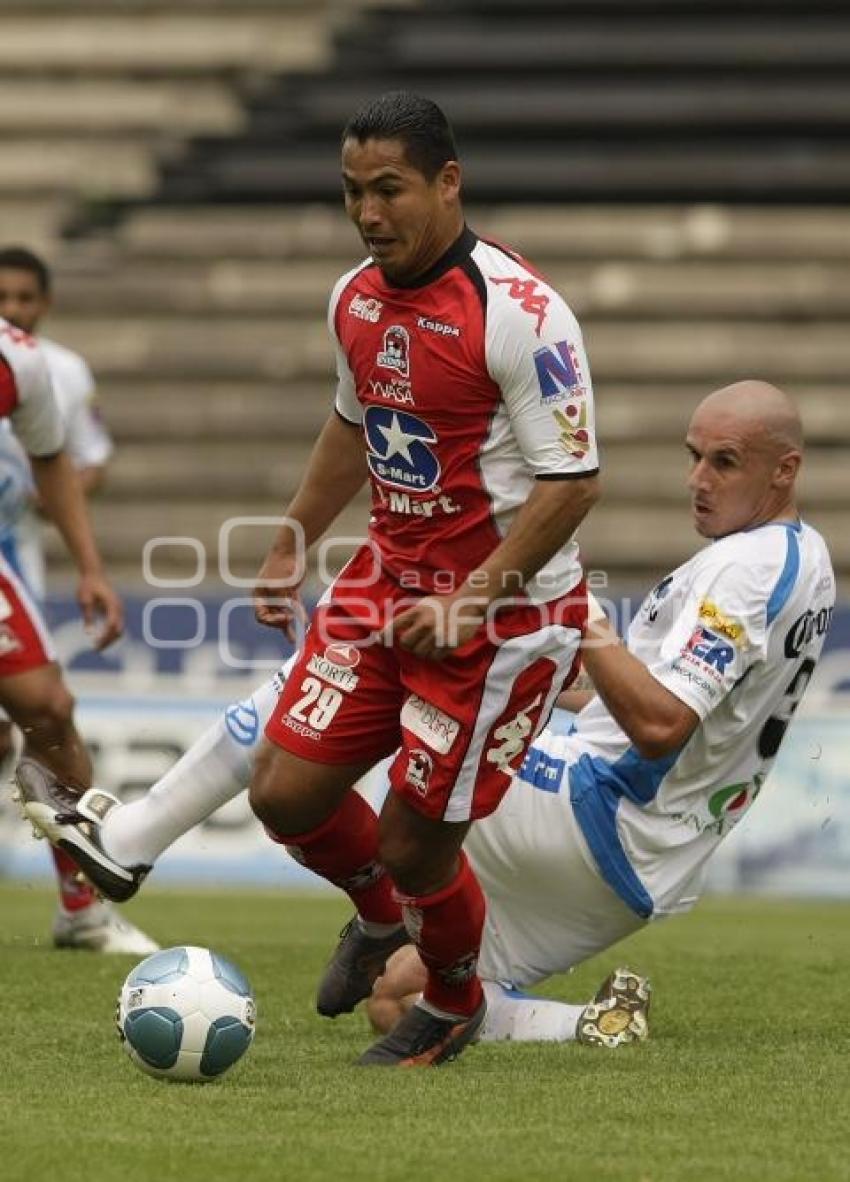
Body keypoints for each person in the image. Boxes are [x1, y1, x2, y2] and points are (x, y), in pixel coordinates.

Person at [16, 380, 834, 1048]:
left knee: (353, 663)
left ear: (784, 470)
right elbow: (653, 713)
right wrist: (563, 660)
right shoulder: (806, 563)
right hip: (642, 870)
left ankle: (132, 839)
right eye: (694, 458)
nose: (698, 480)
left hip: (601, 811)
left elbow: (659, 727)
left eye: (724, 463)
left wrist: (571, 608)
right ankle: (593, 1025)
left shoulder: (746, 570)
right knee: (398, 993)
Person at [246, 90, 599, 1065]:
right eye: (353, 191)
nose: (368, 213)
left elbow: (573, 483)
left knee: (414, 845)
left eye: (389, 189)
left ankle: (450, 1001)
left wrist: (470, 600)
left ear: (448, 182)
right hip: (385, 584)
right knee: (281, 794)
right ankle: (377, 921)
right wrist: (292, 538)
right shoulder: (353, 296)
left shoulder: (519, 312)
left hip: (501, 619)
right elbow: (352, 425)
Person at [0, 278, 155, 957]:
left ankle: (81, 909)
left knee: (48, 707)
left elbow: (51, 460)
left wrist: (90, 567)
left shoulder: (25, 365)